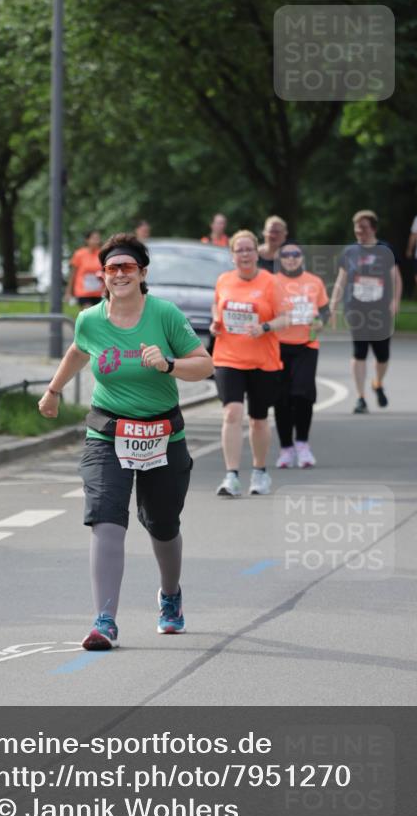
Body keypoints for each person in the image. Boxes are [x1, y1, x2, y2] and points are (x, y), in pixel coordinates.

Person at [39, 232, 213, 650]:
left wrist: (169, 364)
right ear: (102, 275)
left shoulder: (165, 315)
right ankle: (105, 621)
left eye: (127, 268)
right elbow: (79, 351)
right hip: (108, 432)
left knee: (162, 523)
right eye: (112, 268)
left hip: (162, 433)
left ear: (142, 273)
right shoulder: (90, 319)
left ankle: (170, 596)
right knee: (105, 516)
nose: (119, 274)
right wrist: (53, 390)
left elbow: (204, 365)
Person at [211, 230, 289, 497]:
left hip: (263, 361)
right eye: (239, 250)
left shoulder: (271, 282)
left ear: (257, 253)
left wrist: (265, 326)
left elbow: (286, 318)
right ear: (232, 256)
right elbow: (216, 306)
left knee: (258, 420)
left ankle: (259, 472)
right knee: (231, 413)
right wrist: (215, 322)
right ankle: (231, 475)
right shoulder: (223, 281)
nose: (244, 254)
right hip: (228, 358)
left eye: (249, 249)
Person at [330, 210, 402, 414]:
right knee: (359, 352)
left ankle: (377, 383)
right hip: (356, 308)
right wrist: (333, 304)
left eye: (364, 227)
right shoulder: (349, 252)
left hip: (380, 310)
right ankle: (360, 398)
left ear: (374, 228)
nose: (359, 231)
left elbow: (396, 278)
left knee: (382, 356)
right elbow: (341, 280)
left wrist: (395, 300)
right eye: (356, 227)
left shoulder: (386, 249)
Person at [273, 241, 330, 468]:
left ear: (301, 258)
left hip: (307, 345)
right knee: (282, 399)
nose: (291, 258)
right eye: (286, 255)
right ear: (281, 258)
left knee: (303, 395)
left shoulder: (314, 282)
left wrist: (320, 322)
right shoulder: (272, 281)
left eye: (295, 254)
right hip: (277, 346)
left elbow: (324, 311)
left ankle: (303, 444)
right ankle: (286, 448)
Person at [65, 230, 103, 308]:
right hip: (83, 292)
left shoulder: (102, 254)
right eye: (94, 238)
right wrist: (68, 292)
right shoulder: (79, 254)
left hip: (99, 292)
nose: (96, 241)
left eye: (98, 238)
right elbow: (72, 274)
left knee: (97, 317)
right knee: (88, 313)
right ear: (87, 240)